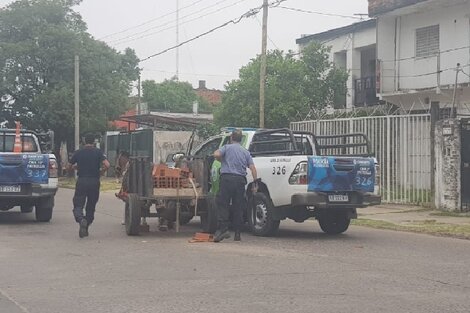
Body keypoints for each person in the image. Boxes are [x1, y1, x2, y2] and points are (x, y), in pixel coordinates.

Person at [213, 129, 258, 242]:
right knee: (238, 206)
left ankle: (223, 230)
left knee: (223, 204)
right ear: (241, 139)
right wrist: (255, 183)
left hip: (227, 179)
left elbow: (216, 154)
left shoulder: (227, 148)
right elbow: (252, 168)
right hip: (240, 181)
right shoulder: (245, 152)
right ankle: (237, 233)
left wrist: (220, 159)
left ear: (231, 138)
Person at [68, 134, 110, 238]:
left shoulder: (78, 153)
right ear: (94, 142)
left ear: (84, 141)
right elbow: (107, 165)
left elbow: (69, 166)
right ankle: (86, 223)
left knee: (78, 204)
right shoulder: (98, 152)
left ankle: (81, 219)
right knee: (91, 205)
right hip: (94, 181)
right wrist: (101, 171)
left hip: (82, 180)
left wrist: (75, 168)